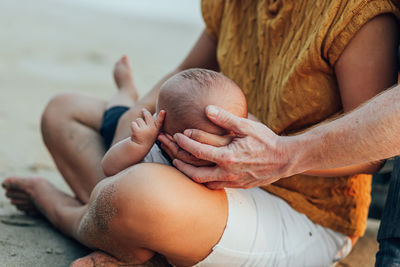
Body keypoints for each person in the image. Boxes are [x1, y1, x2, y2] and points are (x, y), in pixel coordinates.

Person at [2, 1, 400, 266]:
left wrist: (274, 155)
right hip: (201, 181)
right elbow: (179, 79)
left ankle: (64, 211)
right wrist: (134, 125)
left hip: (300, 211)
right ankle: (139, 242)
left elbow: (373, 155)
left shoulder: (361, 16)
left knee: (132, 193)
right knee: (63, 113)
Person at [101, 63, 247, 177]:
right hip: (121, 125)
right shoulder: (151, 150)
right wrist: (137, 144)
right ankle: (126, 89)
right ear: (162, 132)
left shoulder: (233, 163)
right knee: (117, 111)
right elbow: (109, 168)